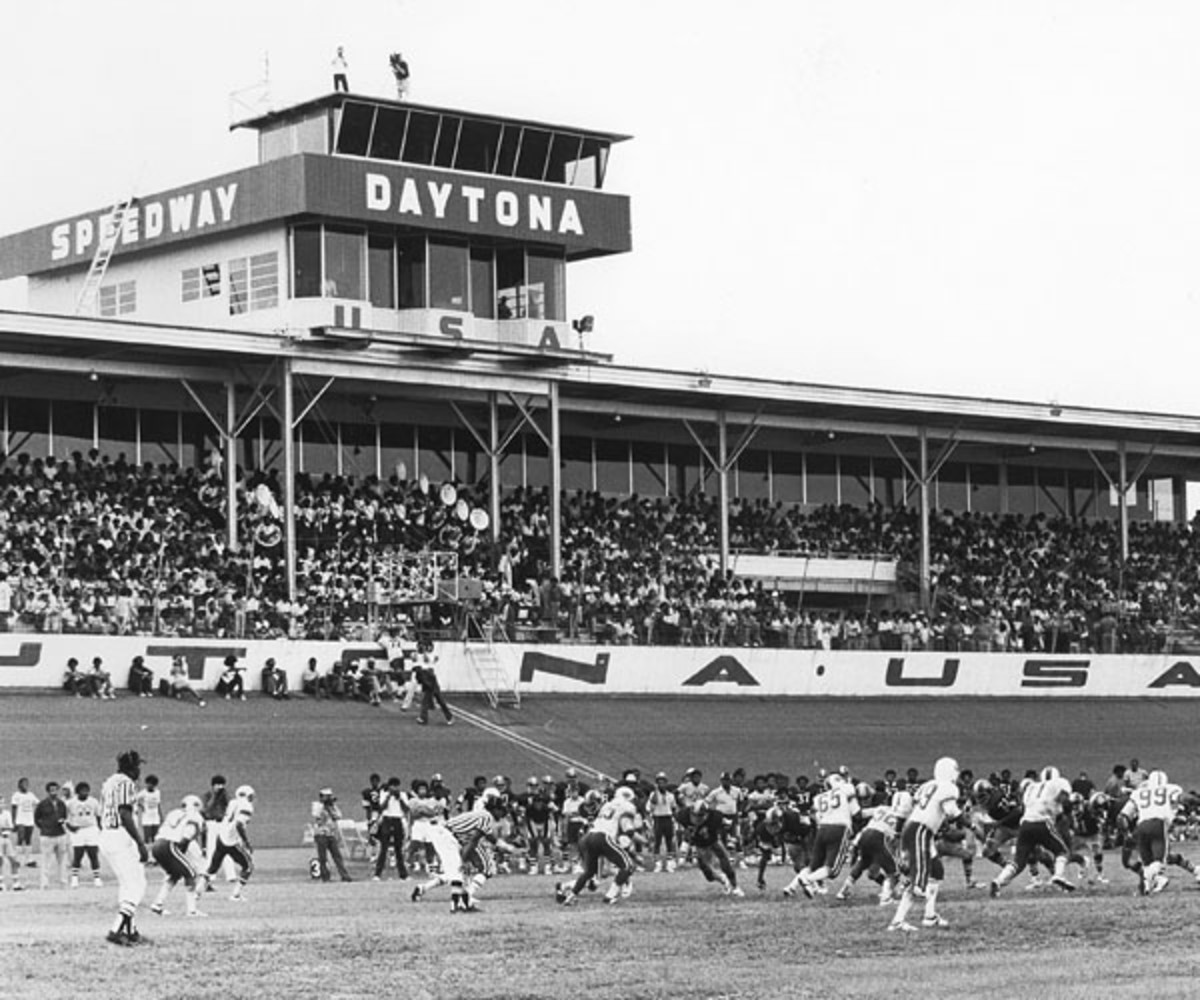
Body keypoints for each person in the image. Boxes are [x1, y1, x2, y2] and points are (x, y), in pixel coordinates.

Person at [887, 756, 962, 932]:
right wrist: (972, 826)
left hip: (917, 829)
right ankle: (897, 921)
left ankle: (929, 916)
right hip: (920, 831)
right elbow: (952, 812)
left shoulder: (927, 785)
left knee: (936, 871)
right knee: (918, 883)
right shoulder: (948, 787)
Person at [989, 765, 1076, 898]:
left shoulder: (1031, 787)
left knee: (1019, 861)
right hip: (1043, 822)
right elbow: (1065, 800)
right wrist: (1059, 809)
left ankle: (998, 881)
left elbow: (1025, 806)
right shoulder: (1059, 783)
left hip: (1025, 824)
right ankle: (1058, 875)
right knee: (1062, 851)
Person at [555, 785, 641, 907]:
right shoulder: (626, 807)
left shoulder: (607, 806)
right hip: (602, 838)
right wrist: (644, 842)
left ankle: (570, 896)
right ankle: (610, 896)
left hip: (587, 838)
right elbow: (628, 831)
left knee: (590, 873)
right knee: (627, 867)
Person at [98, 749, 150, 946]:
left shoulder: (109, 781)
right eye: (137, 766)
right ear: (131, 767)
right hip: (121, 835)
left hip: (106, 834)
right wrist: (140, 843)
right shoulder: (126, 783)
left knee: (127, 883)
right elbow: (125, 813)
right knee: (137, 885)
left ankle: (131, 931)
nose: (139, 771)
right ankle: (116, 929)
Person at [784, 772, 859, 898]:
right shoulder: (846, 790)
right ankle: (808, 880)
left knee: (814, 865)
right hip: (839, 828)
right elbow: (857, 813)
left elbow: (814, 814)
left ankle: (792, 886)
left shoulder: (819, 797)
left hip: (822, 829)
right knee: (832, 869)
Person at [149, 794, 207, 918]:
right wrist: (181, 853)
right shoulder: (196, 817)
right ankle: (192, 911)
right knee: (191, 874)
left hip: (156, 845)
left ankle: (158, 904)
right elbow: (185, 839)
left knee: (174, 875)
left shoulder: (174, 813)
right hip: (169, 845)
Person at [202, 785, 255, 901]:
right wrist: (246, 842)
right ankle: (236, 894)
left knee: (212, 867)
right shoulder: (247, 806)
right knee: (248, 867)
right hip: (231, 842)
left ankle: (197, 891)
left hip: (221, 837)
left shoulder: (233, 803)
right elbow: (239, 825)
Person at [66, 780, 104, 888]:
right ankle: (74, 879)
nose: (85, 793)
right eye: (82, 791)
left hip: (91, 829)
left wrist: (100, 829)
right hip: (78, 830)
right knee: (78, 855)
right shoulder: (71, 803)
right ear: (77, 792)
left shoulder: (94, 802)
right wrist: (70, 827)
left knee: (93, 854)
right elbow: (65, 817)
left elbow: (98, 816)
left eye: (86, 791)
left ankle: (97, 878)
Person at [311, 788, 353, 883]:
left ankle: (344, 875)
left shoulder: (333, 807)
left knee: (337, 856)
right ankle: (325, 877)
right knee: (323, 858)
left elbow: (338, 816)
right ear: (321, 797)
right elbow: (318, 818)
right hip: (321, 834)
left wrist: (331, 807)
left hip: (331, 834)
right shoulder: (317, 806)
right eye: (327, 796)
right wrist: (325, 807)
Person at [372, 777, 409, 882]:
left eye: (396, 786)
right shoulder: (384, 794)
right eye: (392, 786)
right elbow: (381, 807)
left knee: (398, 848)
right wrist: (388, 797)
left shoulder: (403, 795)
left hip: (398, 819)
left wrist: (399, 798)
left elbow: (406, 809)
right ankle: (377, 874)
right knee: (384, 848)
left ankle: (403, 874)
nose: (394, 788)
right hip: (387, 819)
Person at [34, 781, 69, 889]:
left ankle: (63, 881)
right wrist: (45, 827)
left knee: (63, 859)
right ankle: (44, 883)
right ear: (48, 791)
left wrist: (61, 821)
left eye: (55, 790)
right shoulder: (42, 804)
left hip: (60, 834)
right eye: (51, 790)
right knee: (46, 860)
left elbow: (65, 816)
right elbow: (37, 819)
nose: (54, 792)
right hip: (47, 835)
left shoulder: (61, 804)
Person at [415, 643, 453, 725]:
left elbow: (427, 660)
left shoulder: (432, 655)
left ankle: (424, 718)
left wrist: (424, 652)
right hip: (425, 676)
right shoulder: (420, 655)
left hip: (429, 676)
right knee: (436, 698)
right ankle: (448, 716)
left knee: (429, 698)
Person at [11, 777, 38, 872]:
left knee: (28, 839)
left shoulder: (31, 795)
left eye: (27, 784)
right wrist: (13, 821)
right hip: (20, 820)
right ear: (19, 786)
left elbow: (37, 804)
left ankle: (28, 859)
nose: (26, 786)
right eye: (23, 784)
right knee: (20, 838)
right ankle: (17, 859)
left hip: (29, 820)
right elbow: (14, 808)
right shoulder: (16, 795)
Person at [0, 795, 23, 891]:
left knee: (13, 860)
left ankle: (16, 883)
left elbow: (10, 827)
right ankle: (1, 883)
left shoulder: (6, 814)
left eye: (2, 803)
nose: (1, 805)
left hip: (7, 839)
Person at [136, 775, 163, 846]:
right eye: (148, 783)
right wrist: (141, 806)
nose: (149, 785)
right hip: (146, 818)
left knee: (155, 837)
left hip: (155, 817)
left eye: (151, 784)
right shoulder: (143, 793)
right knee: (147, 838)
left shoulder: (157, 792)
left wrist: (161, 816)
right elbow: (135, 799)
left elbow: (158, 804)